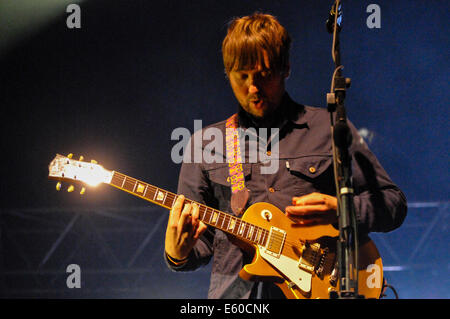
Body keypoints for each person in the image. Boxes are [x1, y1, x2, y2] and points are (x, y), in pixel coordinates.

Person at [164, 12, 407, 299]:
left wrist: (341, 209)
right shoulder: (203, 145)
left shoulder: (327, 129)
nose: (253, 88)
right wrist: (177, 254)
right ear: (227, 74)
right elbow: (200, 246)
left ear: (286, 69)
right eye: (241, 76)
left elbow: (393, 204)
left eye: (264, 75)